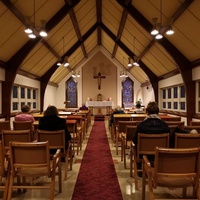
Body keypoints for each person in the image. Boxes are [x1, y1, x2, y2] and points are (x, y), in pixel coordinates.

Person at [133, 101, 170, 176]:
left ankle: (140, 169)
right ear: (158, 112)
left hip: (144, 155)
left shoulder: (141, 125)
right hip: (160, 155)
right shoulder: (165, 126)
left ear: (147, 112)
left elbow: (135, 140)